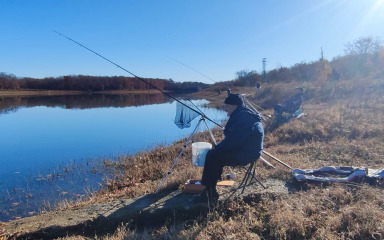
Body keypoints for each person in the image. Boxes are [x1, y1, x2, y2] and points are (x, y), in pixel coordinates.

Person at [194, 93, 264, 203]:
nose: (225, 108)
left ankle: (209, 192)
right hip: (246, 149)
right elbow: (233, 138)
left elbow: (232, 142)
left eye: (226, 106)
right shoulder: (242, 114)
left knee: (213, 155)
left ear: (234, 106)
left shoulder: (243, 118)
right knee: (215, 154)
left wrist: (218, 148)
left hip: (247, 153)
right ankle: (210, 188)